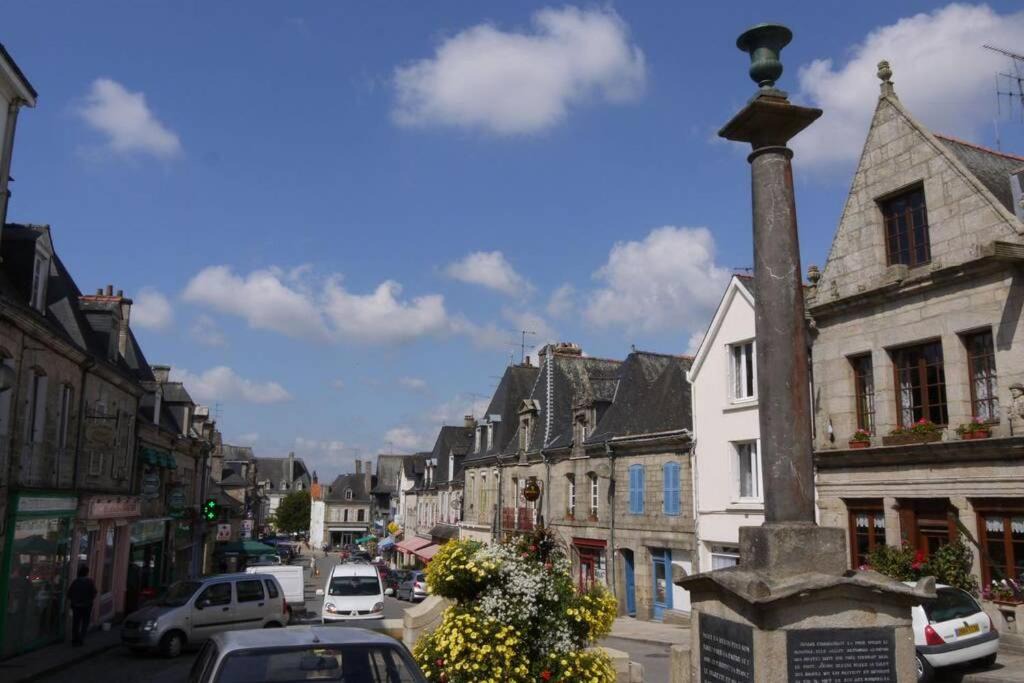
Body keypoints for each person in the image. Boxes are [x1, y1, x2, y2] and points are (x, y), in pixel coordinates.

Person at [67, 565, 97, 647]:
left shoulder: (75, 582)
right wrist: (89, 599)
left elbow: (69, 594)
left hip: (76, 606)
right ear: (87, 573)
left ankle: (75, 639)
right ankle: (81, 639)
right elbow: (94, 593)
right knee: (85, 623)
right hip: (86, 606)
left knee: (76, 623)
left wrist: (74, 600)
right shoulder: (90, 582)